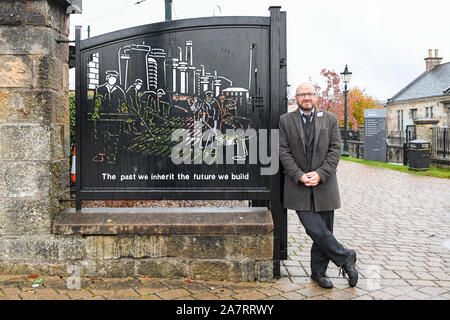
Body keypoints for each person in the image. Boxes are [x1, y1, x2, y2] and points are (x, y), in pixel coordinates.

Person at [278, 82, 358, 289]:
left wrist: (321, 174)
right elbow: (283, 151)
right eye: (302, 94)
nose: (306, 97)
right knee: (314, 229)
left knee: (325, 229)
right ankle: (345, 257)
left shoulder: (330, 119)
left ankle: (318, 273)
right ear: (295, 98)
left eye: (310, 94)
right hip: (298, 185)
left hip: (325, 185)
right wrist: (299, 175)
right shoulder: (286, 120)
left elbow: (335, 149)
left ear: (316, 97)